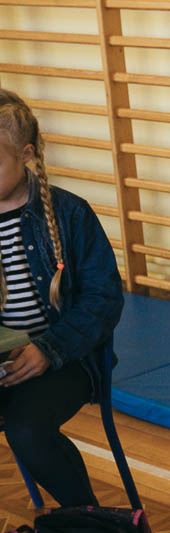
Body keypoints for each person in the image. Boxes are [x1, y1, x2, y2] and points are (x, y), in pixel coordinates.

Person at [0, 89, 124, 507]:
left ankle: (92, 526)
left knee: (27, 430)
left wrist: (48, 350)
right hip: (5, 361)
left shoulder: (71, 213)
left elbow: (103, 299)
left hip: (67, 360)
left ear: (26, 155)